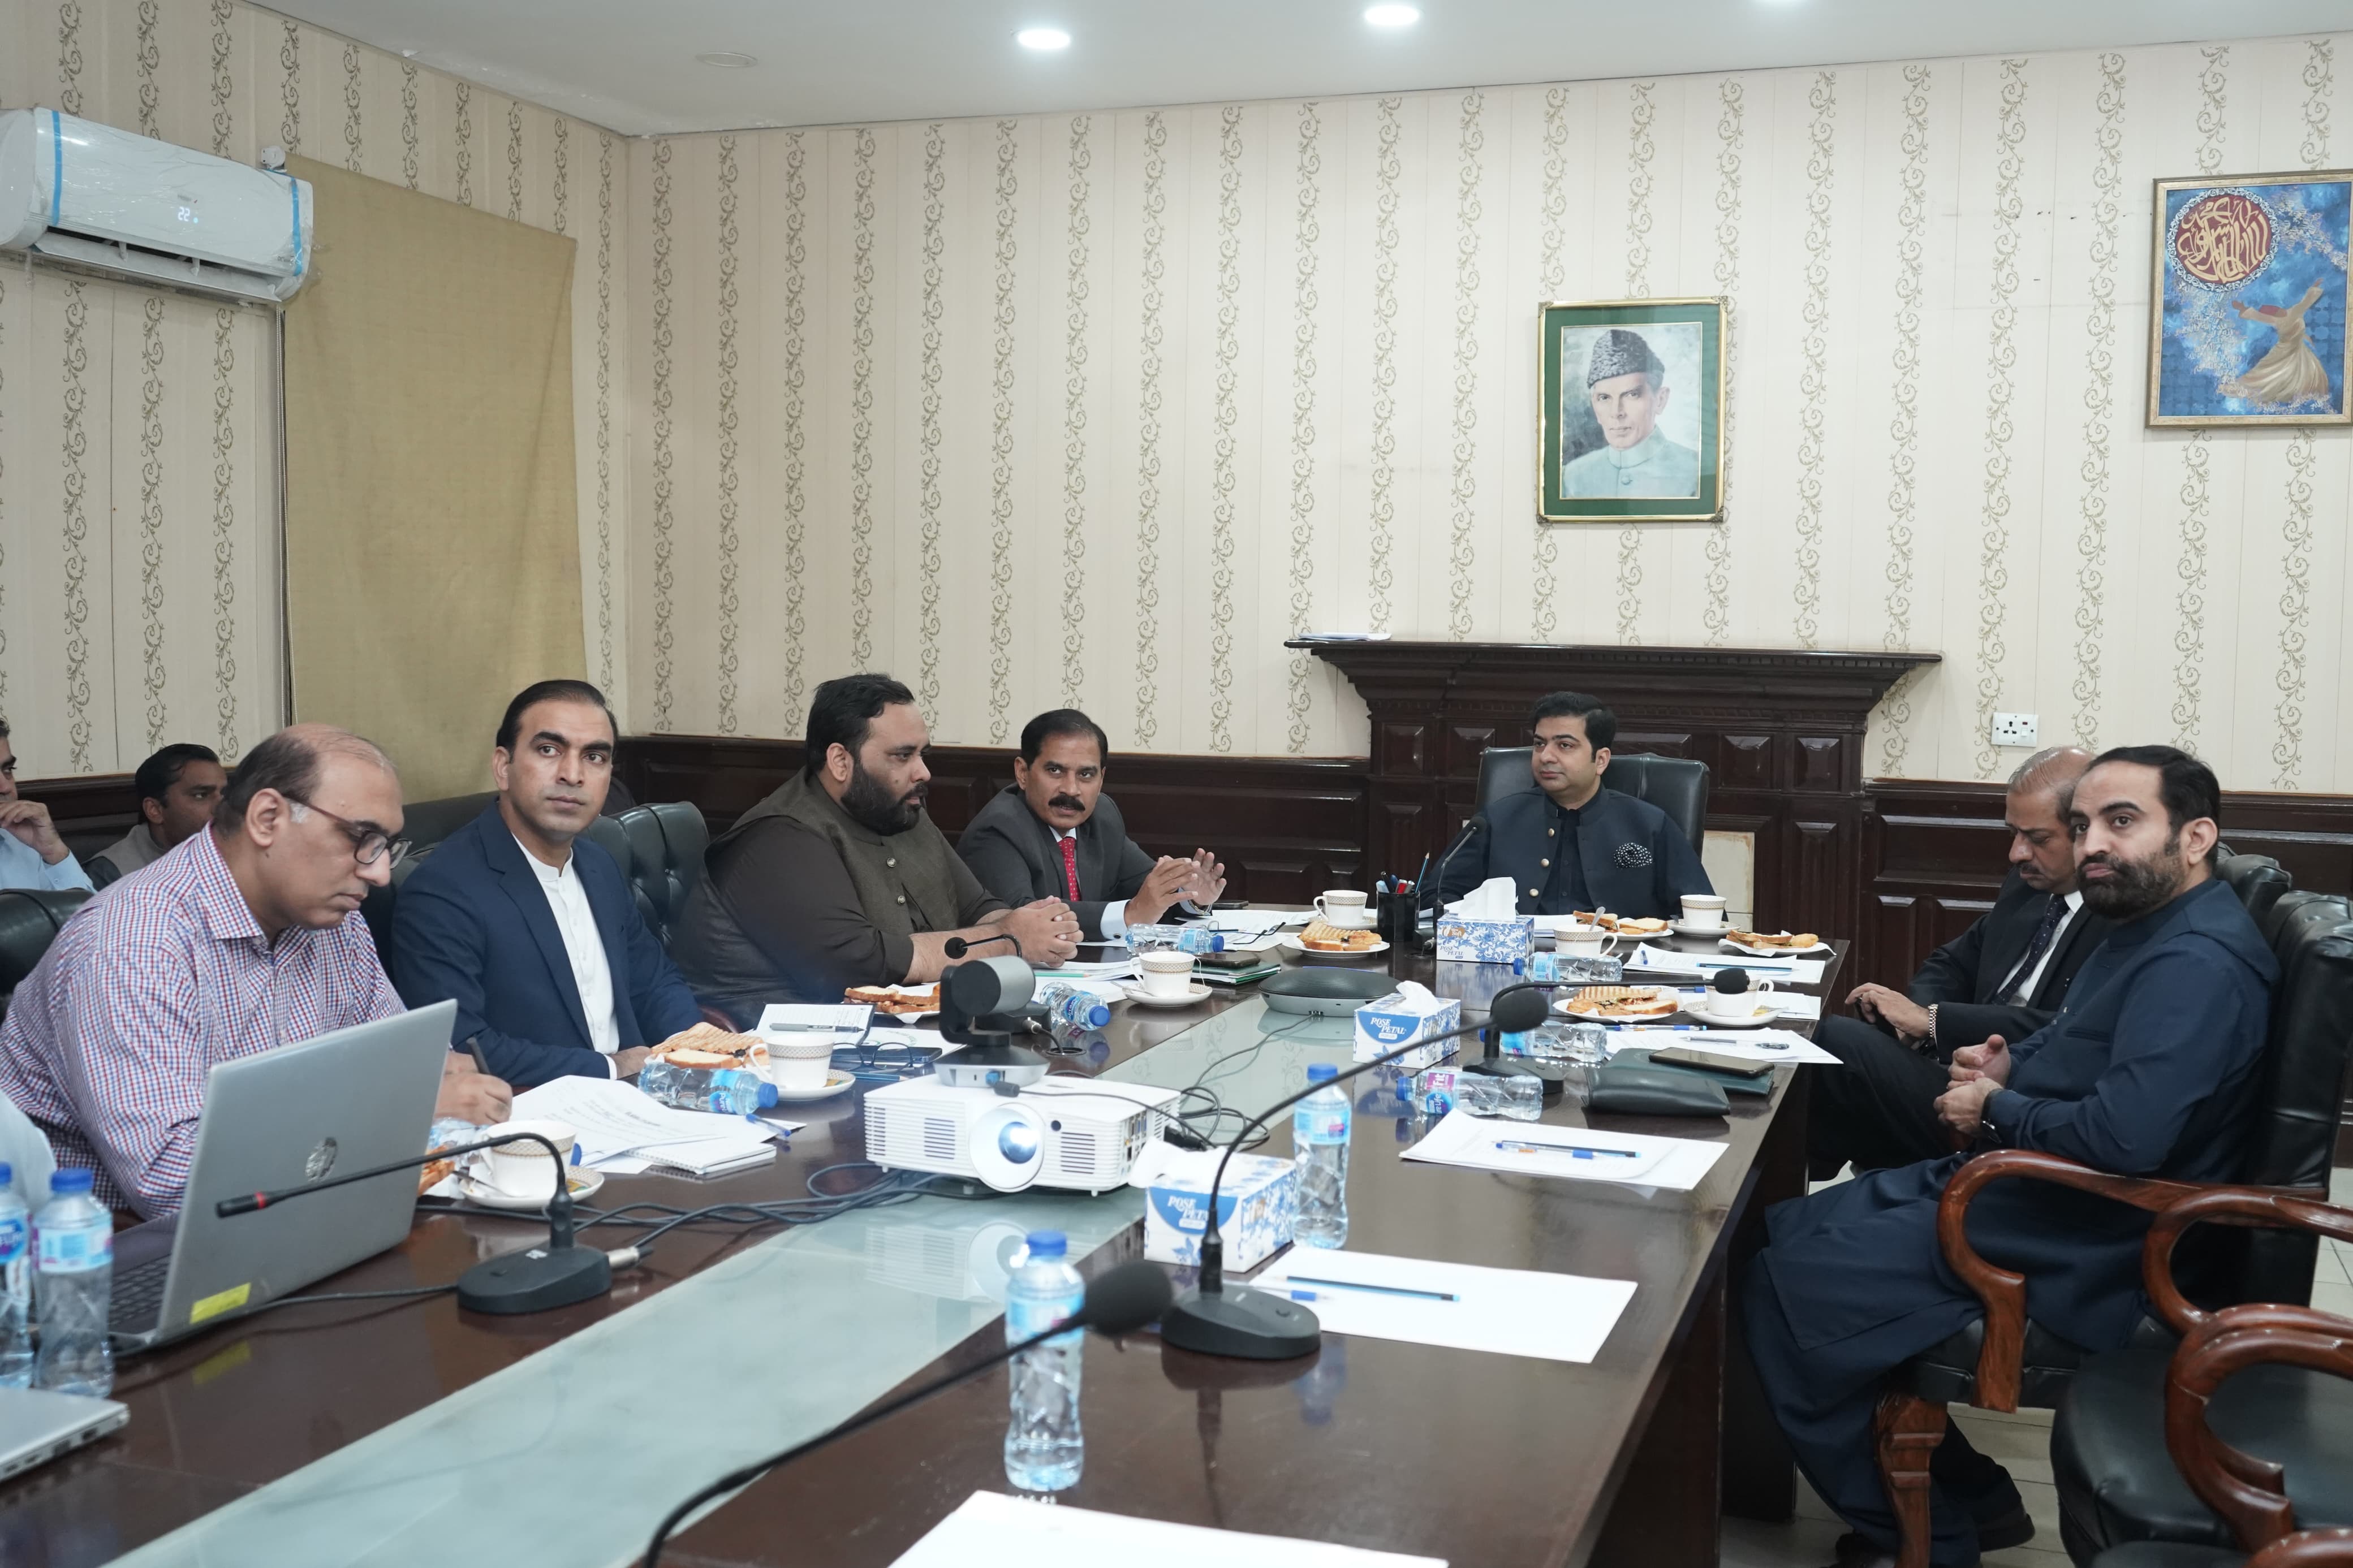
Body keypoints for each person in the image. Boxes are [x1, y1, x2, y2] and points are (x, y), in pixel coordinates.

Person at [1743, 746, 2276, 1568]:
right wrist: (2008, 1065)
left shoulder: (2196, 962)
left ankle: (1930, 1539)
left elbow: (2125, 1141)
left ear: (2196, 836)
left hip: (2084, 1238)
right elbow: (2078, 1042)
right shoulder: (2146, 923)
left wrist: (1995, 1104)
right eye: (2082, 824)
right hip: (2025, 1190)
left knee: (1780, 1288)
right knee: (1773, 1232)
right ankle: (1979, 1501)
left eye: (2121, 821)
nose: (2093, 843)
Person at [0, 725, 511, 1217]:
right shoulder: (132, 944)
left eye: (385, 846)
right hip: (106, 1241)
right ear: (268, 818)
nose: (379, 872)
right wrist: (400, 1107)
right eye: (362, 837)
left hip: (315, 1204)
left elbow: (413, 1063)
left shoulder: (333, 920)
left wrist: (432, 1081)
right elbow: (174, 1184)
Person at [672, 674, 1082, 1022]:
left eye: (922, 754)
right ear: (840, 761)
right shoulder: (780, 837)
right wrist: (1009, 939)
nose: (923, 772)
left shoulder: (898, 808)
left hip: (896, 1027)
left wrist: (1038, 927)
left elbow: (976, 907)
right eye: (902, 756)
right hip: (782, 1047)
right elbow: (861, 965)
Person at [1809, 747, 2110, 1178]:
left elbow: (2066, 1028)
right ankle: (1799, 1182)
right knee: (1840, 1048)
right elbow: (1952, 962)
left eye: (2038, 838)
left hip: (2014, 1098)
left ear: (2086, 833)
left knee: (1834, 1040)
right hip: (1955, 1063)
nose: (2017, 853)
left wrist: (1933, 1021)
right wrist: (1913, 1021)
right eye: (2014, 833)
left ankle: (1787, 1185)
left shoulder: (2118, 914)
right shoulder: (2028, 884)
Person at [390, 681, 704, 1088]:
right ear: (503, 767)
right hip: (536, 1111)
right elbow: (464, 1047)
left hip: (643, 1094)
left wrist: (697, 1050)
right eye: (549, 750)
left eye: (594, 757)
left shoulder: (598, 865)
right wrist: (612, 1067)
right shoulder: (443, 891)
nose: (573, 775)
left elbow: (655, 982)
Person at [1432, 691, 1711, 921]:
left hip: (1619, 963)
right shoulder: (1497, 819)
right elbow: (1437, 895)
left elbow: (1702, 914)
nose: (1546, 756)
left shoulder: (1649, 824)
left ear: (1600, 760)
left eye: (1564, 745)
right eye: (1539, 744)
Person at [957, 709, 1226, 941]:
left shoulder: (1102, 816)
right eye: (1055, 771)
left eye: (1086, 774)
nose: (1071, 789)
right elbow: (1023, 920)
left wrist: (1189, 893)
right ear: (1023, 773)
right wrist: (1129, 914)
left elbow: (1148, 892)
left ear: (1102, 778)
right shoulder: (997, 831)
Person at [1560, 327, 1701, 499]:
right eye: (1604, 398)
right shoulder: (1572, 477)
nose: (1616, 412)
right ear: (1594, 405)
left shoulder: (1695, 473)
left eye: (1632, 395)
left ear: (1660, 400)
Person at [88, 744, 230, 888]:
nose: (223, 807)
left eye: (225, 794)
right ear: (155, 810)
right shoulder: (110, 874)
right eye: (201, 795)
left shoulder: (233, 854)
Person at [0, 719, 96, 894]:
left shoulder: (22, 844)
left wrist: (53, 851)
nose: (6, 787)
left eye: (8, 770)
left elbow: (89, 910)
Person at [2220, 283, 2331, 407]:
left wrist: (2242, 308)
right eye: (2277, 312)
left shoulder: (2279, 319)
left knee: (2286, 375)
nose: (2279, 311)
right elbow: (2306, 303)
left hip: (2293, 350)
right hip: (2288, 350)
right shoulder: (2291, 315)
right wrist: (2314, 288)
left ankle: (2293, 397)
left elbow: (2256, 315)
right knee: (2272, 375)